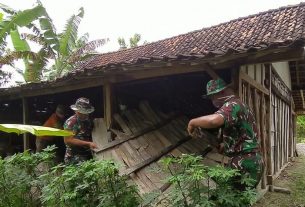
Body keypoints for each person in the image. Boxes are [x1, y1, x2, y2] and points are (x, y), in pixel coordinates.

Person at [187, 78, 263, 190]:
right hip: (252, 160)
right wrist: (226, 145)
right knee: (241, 200)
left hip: (244, 161)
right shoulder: (240, 105)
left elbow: (214, 120)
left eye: (213, 97)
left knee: (231, 199)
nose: (213, 101)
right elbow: (241, 133)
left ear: (222, 92)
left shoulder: (232, 104)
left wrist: (192, 122)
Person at [64, 97, 97, 164]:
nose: (83, 115)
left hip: (87, 154)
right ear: (76, 111)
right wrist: (88, 143)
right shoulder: (70, 122)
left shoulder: (88, 120)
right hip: (74, 157)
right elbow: (68, 140)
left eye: (85, 113)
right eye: (80, 113)